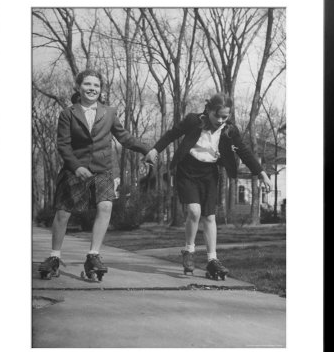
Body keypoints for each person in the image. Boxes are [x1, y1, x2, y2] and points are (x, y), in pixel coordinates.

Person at [144, 93, 272, 280]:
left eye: (225, 117)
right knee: (194, 211)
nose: (220, 120)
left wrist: (262, 173)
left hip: (209, 173)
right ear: (208, 110)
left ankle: (212, 260)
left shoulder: (229, 130)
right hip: (187, 170)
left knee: (210, 217)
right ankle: (189, 250)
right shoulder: (193, 121)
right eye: (217, 116)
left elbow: (244, 151)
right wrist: (154, 150)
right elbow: (172, 134)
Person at [38, 69, 150, 280]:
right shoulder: (68, 114)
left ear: (101, 89)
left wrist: (146, 149)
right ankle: (54, 256)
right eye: (88, 84)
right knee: (63, 213)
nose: (92, 89)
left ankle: (93, 255)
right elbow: (63, 145)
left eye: (96, 85)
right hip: (76, 169)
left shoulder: (108, 112)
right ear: (78, 87)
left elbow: (124, 137)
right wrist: (75, 166)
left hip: (102, 169)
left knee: (105, 206)